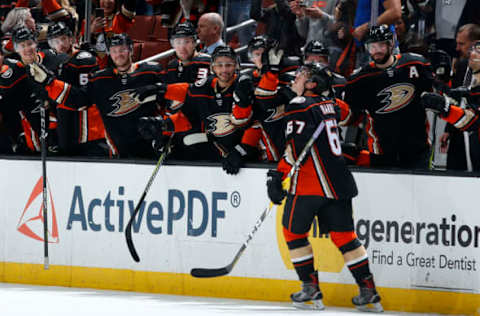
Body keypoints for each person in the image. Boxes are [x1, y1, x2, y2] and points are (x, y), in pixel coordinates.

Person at [266, 62, 382, 312]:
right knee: (344, 237)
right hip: (339, 181)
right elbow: (348, 114)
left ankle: (310, 287)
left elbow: (294, 149)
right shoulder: (332, 105)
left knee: (293, 232)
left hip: (310, 183)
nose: (294, 79)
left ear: (311, 84)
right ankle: (368, 290)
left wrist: (278, 176)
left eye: (300, 76)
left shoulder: (297, 105)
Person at [27, 33, 163, 158]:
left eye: (122, 50)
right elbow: (78, 100)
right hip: (118, 153)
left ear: (131, 50)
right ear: (109, 53)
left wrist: (166, 131)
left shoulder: (151, 72)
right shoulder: (100, 79)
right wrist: (50, 82)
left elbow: (170, 101)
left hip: (151, 149)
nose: (118, 54)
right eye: (114, 51)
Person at [136, 46, 247, 171]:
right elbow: (188, 115)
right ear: (212, 67)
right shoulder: (205, 85)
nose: (224, 69)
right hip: (218, 154)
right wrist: (163, 125)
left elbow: (255, 124)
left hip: (245, 158)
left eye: (229, 65)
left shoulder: (243, 85)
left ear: (236, 65)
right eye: (219, 65)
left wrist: (242, 150)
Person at [342, 25, 434, 169]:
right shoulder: (359, 79)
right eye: (372, 46)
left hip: (418, 147)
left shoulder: (415, 64)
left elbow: (436, 95)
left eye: (381, 45)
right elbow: (351, 115)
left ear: (391, 44)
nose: (376, 50)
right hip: (382, 151)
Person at [46, 21, 106, 156]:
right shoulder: (51, 63)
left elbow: (85, 97)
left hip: (87, 126)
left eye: (63, 39)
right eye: (55, 41)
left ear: (70, 38)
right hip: (64, 123)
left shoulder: (84, 59)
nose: (60, 44)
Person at [422, 40, 480, 171]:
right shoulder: (468, 76)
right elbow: (457, 96)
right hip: (466, 140)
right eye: (473, 50)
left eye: (478, 52)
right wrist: (438, 81)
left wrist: (446, 109)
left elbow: (475, 122)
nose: (472, 54)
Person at [164, 21, 211, 85]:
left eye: (187, 42)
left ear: (194, 43)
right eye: (178, 42)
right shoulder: (172, 66)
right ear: (173, 45)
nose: (182, 47)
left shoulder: (208, 62)